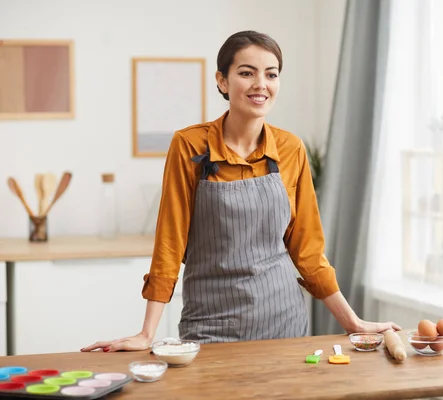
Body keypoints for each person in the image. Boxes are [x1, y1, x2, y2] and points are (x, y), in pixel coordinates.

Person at [82, 30, 400, 352]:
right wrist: (146, 333)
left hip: (284, 323)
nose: (261, 84)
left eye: (271, 74)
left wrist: (353, 323)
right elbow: (169, 244)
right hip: (210, 324)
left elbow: (308, 251)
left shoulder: (291, 149)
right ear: (222, 81)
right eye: (247, 73)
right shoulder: (189, 145)